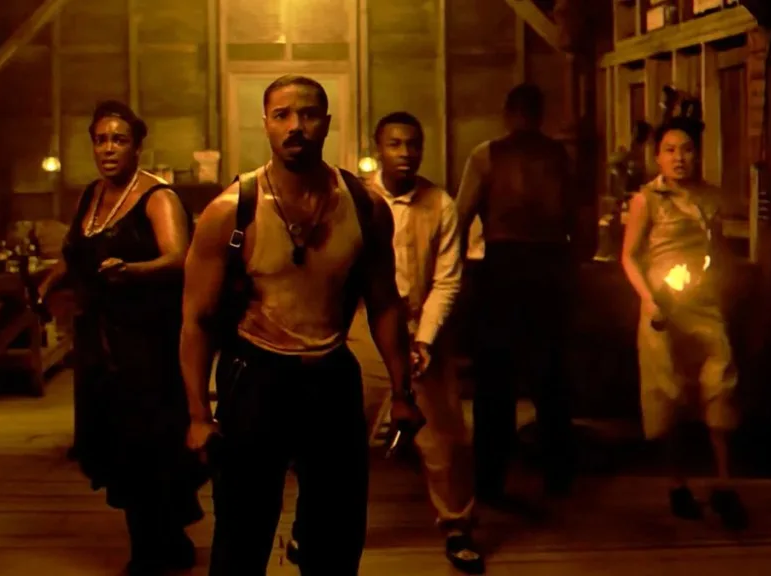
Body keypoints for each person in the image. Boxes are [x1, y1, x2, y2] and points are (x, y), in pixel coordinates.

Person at [180, 74, 422, 575]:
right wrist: (199, 414)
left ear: (326, 124)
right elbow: (196, 320)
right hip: (255, 375)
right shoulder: (231, 212)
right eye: (282, 115)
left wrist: (402, 392)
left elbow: (384, 303)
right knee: (242, 533)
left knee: (336, 535)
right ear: (265, 124)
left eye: (308, 114)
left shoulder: (364, 206)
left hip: (330, 376)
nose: (296, 126)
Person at [36, 100, 204, 573]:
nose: (108, 148)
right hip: (99, 340)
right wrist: (48, 283)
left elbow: (179, 258)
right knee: (116, 443)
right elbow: (76, 253)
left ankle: (153, 550)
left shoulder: (157, 197)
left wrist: (133, 270)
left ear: (137, 146)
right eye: (101, 140)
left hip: (147, 341)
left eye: (119, 140)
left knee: (149, 441)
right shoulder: (92, 195)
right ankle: (163, 542)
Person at [361, 112, 483, 573]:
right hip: (365, 329)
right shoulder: (356, 200)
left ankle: (457, 525)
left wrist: (425, 339)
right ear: (378, 149)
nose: (405, 153)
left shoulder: (440, 204)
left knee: (445, 439)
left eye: (413, 144)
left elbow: (447, 280)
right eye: (395, 144)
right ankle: (317, 525)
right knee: (338, 433)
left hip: (421, 329)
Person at [620, 117, 747, 529]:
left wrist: (722, 282)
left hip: (704, 305)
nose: (679, 158)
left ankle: (725, 486)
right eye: (670, 150)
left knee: (719, 386)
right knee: (667, 393)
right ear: (657, 156)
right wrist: (649, 299)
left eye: (687, 149)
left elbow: (718, 249)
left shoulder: (710, 197)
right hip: (662, 309)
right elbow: (629, 256)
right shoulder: (647, 200)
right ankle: (677, 485)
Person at [455, 83, 577, 504]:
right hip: (550, 267)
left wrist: (457, 273)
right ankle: (558, 476)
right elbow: (580, 222)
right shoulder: (560, 157)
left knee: (495, 382)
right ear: (540, 116)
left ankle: (490, 481)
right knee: (551, 380)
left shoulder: (487, 155)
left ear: (507, 115)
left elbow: (460, 218)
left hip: (503, 267)